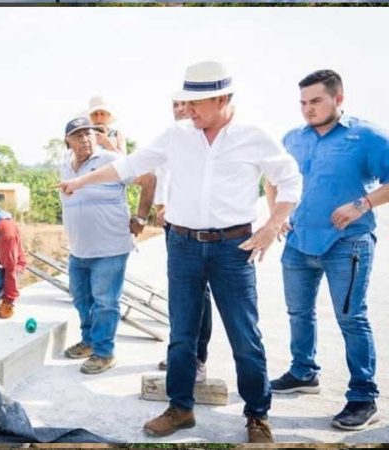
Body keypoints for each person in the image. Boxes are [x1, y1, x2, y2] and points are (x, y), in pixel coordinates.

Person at [58, 61, 303, 444]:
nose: (187, 110)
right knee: (182, 334)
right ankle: (180, 407)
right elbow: (128, 165)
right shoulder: (176, 136)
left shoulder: (253, 136)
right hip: (183, 246)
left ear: (222, 99)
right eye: (185, 102)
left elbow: (290, 179)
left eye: (195, 103)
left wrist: (272, 225)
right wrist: (81, 181)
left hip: (233, 249)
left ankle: (257, 415)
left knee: (244, 336)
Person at [268, 69, 389, 431]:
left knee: (352, 318)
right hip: (298, 242)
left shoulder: (367, 136)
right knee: (298, 312)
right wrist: (277, 216)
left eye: (316, 101)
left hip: (346, 243)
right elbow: (272, 180)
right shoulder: (292, 138)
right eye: (303, 102)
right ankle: (303, 372)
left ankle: (364, 397)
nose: (308, 108)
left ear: (339, 99)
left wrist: (362, 204)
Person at [58, 116, 155, 375]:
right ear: (67, 141)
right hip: (78, 249)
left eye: (89, 134)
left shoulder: (110, 160)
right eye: (78, 135)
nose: (85, 139)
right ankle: (89, 341)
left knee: (105, 302)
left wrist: (141, 218)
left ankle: (104, 352)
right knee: (81, 298)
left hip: (110, 248)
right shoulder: (65, 166)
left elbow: (148, 179)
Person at [154, 99, 211, 384]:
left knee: (200, 292)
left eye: (185, 104)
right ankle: (180, 353)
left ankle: (198, 357)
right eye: (175, 104)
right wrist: (160, 206)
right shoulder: (171, 137)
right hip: (173, 225)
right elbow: (160, 175)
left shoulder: (207, 139)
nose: (180, 109)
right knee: (181, 293)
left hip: (199, 226)